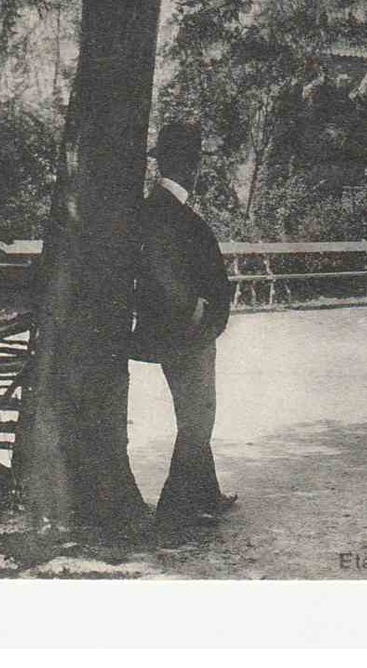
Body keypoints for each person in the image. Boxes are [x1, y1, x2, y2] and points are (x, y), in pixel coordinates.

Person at [131, 121, 237, 528]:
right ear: (191, 166)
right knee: (198, 418)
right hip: (183, 332)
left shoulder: (163, 207)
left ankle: (206, 493)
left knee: (198, 412)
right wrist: (193, 310)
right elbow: (160, 267)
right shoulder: (163, 211)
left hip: (185, 328)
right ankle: (178, 506)